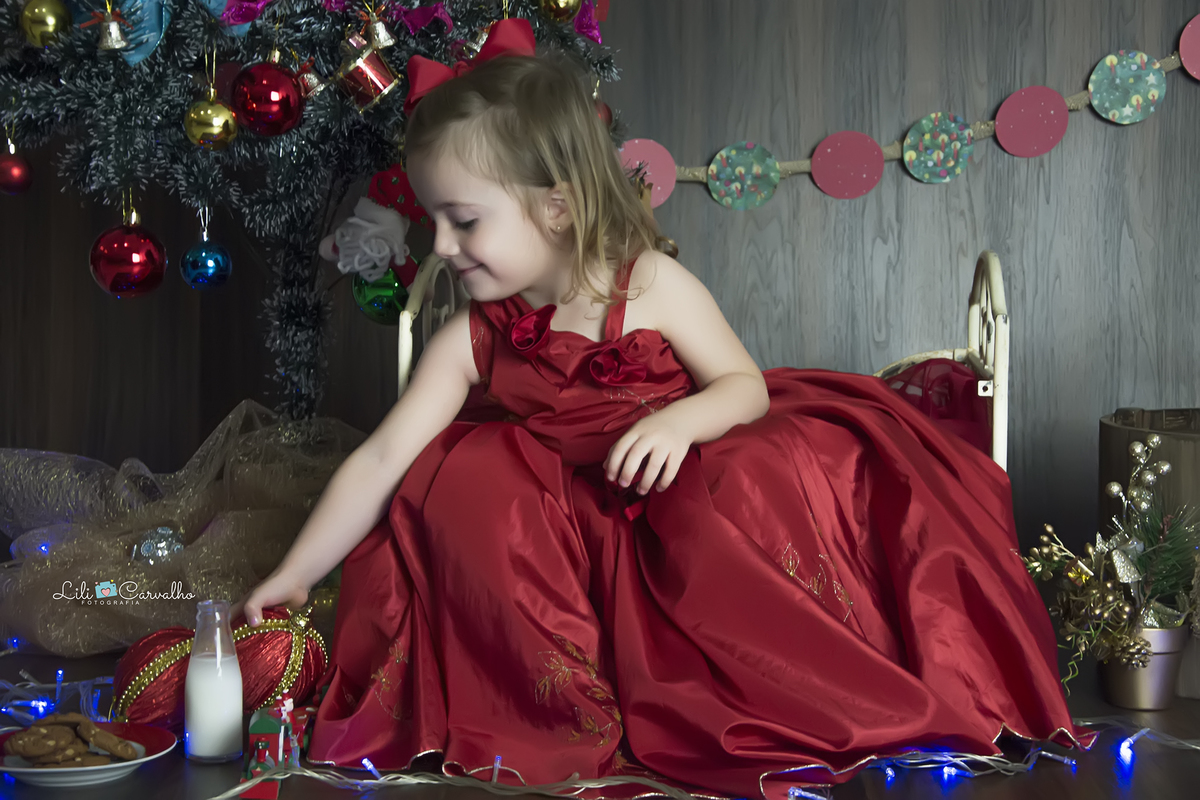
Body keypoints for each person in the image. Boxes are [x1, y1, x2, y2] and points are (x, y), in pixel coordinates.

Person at [239, 21, 1091, 800]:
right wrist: (297, 573)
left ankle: (791, 678)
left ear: (557, 207)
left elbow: (744, 387)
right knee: (459, 481)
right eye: (435, 222)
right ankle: (549, 707)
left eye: (463, 222)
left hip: (673, 480)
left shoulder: (647, 284)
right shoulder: (471, 337)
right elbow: (382, 459)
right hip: (569, 513)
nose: (443, 247)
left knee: (764, 474)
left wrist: (678, 422)